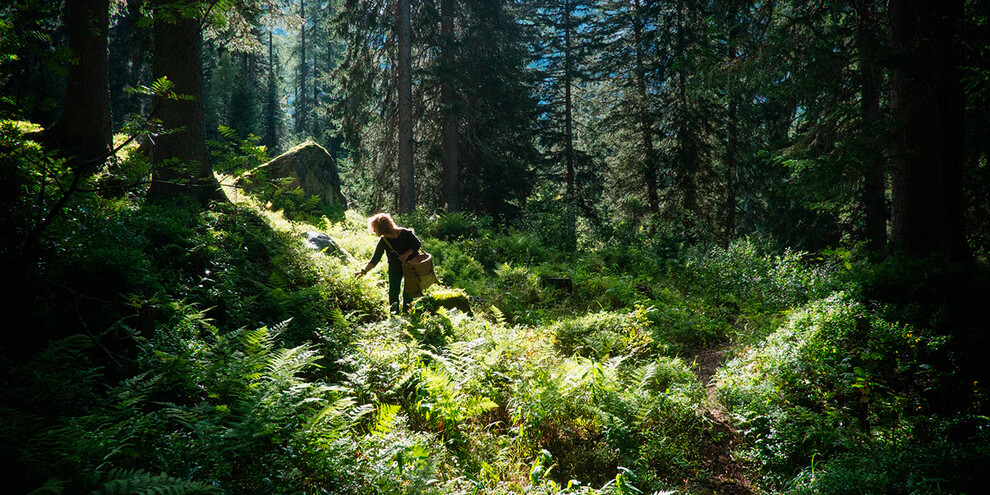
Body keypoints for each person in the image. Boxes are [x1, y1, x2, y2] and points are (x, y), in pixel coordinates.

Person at [354, 213, 422, 313]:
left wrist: (407, 254)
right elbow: (375, 260)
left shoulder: (406, 233)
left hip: (411, 267)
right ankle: (394, 316)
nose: (374, 231)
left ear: (382, 228)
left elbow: (417, 244)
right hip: (395, 269)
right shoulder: (383, 241)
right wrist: (363, 271)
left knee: (408, 292)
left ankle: (407, 315)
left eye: (375, 229)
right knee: (393, 293)